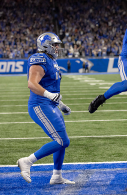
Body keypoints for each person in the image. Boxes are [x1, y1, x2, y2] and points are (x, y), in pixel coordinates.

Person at [17, 32, 74, 185]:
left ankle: (56, 176)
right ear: (46, 45)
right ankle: (27, 161)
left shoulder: (51, 60)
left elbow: (51, 86)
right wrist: (49, 96)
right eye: (55, 44)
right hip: (40, 104)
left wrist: (60, 104)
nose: (57, 48)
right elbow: (32, 83)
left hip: (50, 104)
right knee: (62, 141)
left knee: (61, 140)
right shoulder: (39, 58)